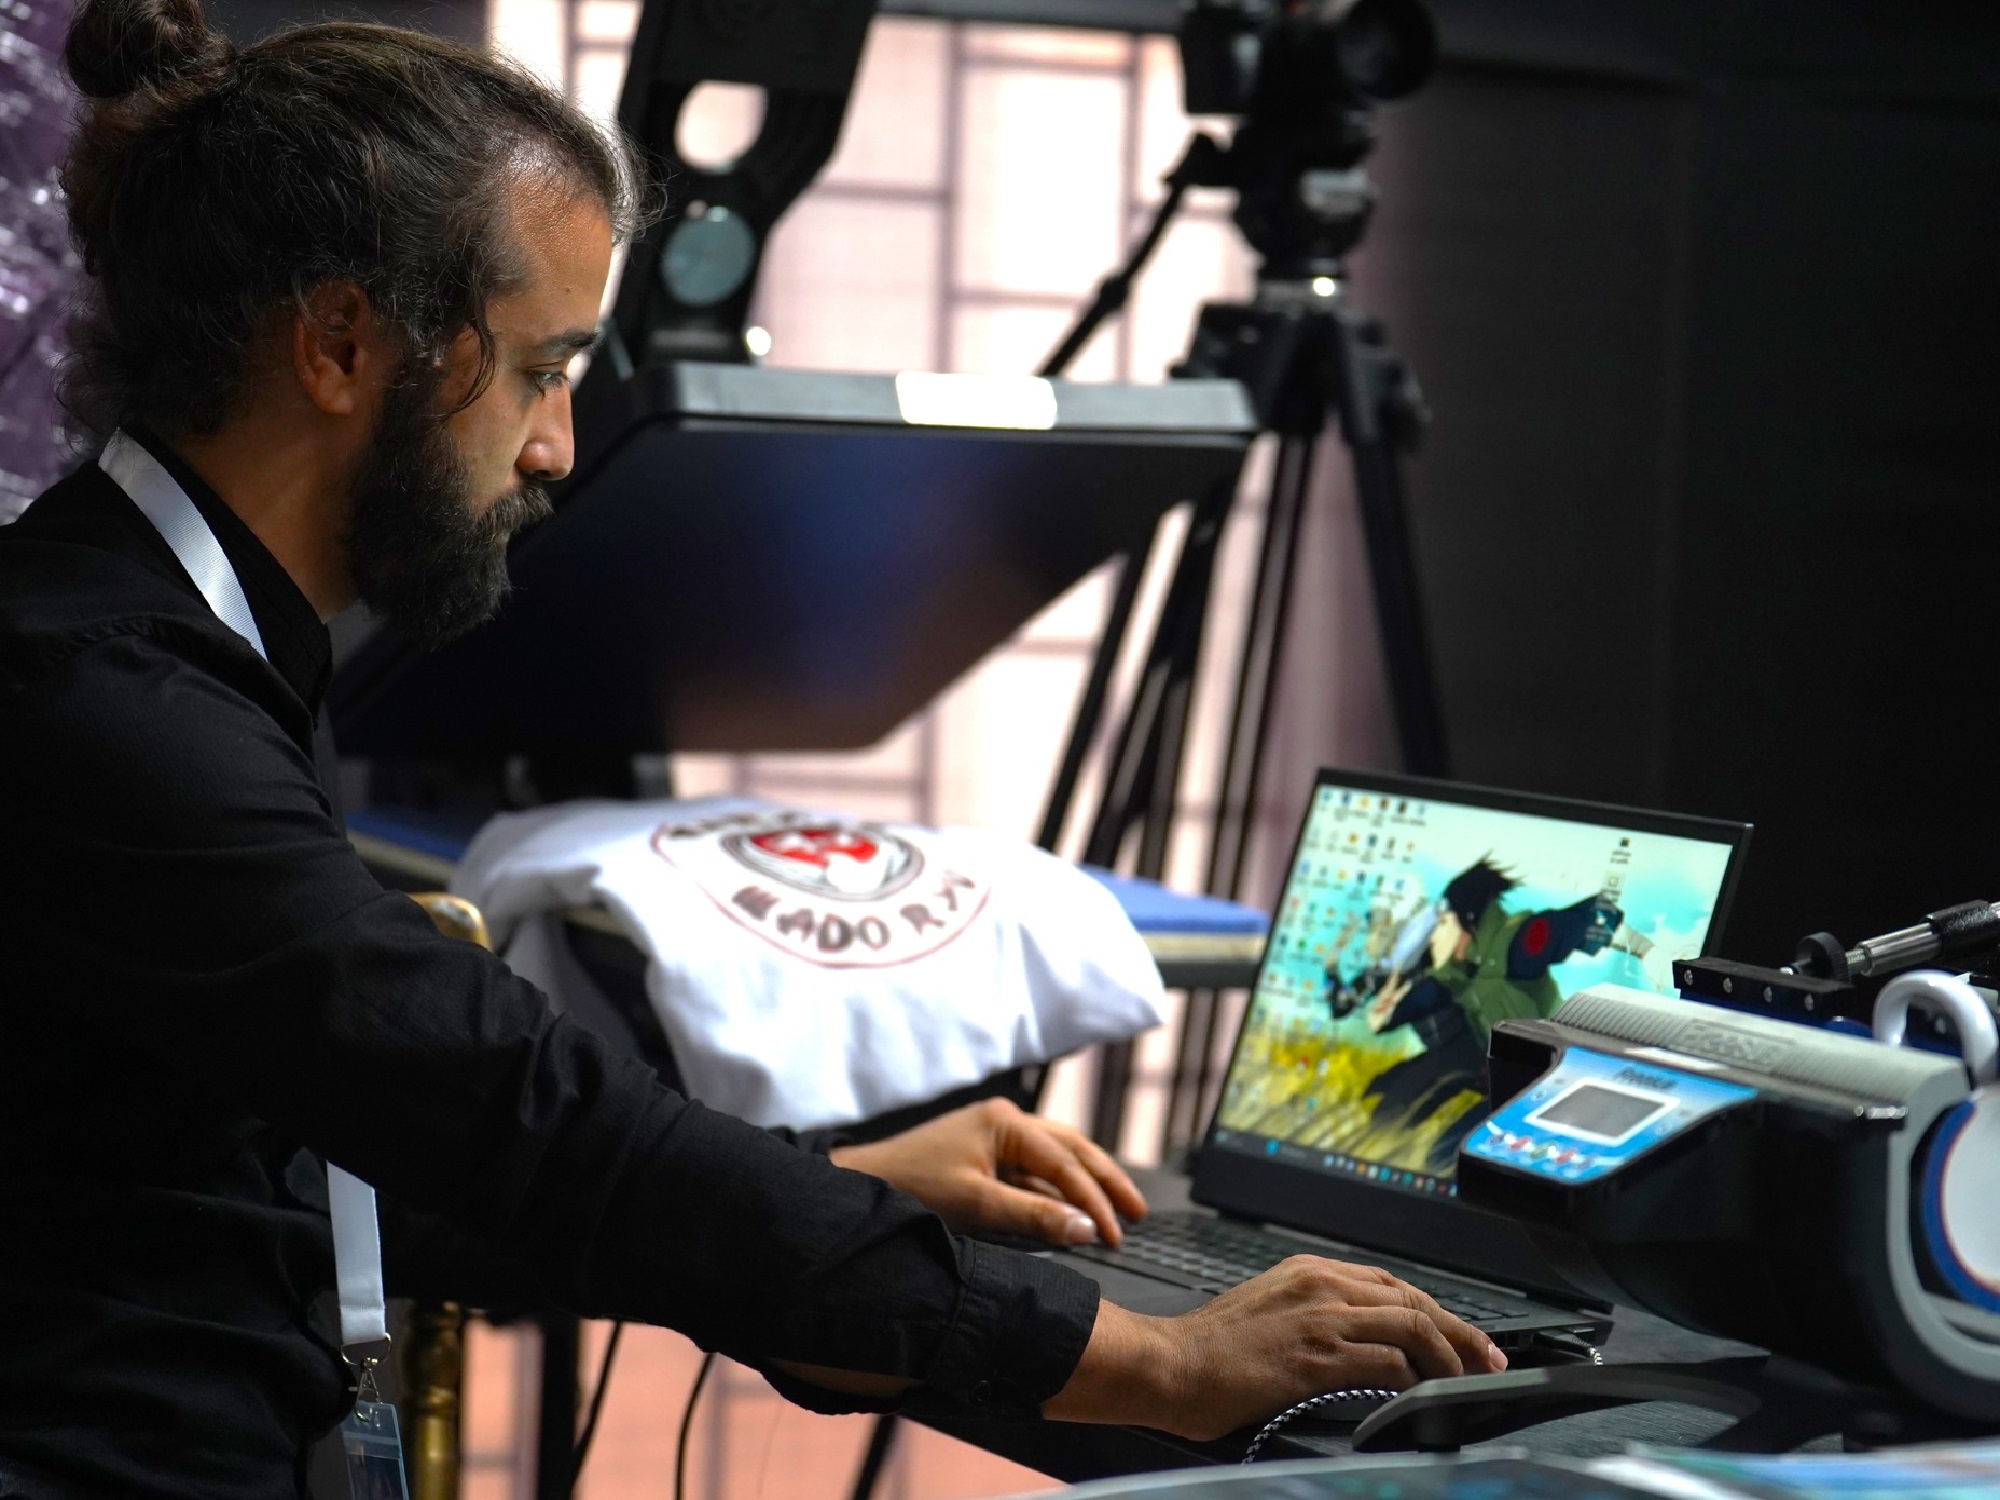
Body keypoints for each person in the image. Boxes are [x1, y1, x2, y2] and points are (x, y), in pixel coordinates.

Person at [0, 3, 1505, 1494]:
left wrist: (832, 1188)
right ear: (339, 342)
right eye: (540, 369)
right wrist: (1148, 1362)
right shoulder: (103, 695)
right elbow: (520, 1117)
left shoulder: (186, 639)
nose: (555, 447)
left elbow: (322, 1165)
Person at [1364, 860, 1621, 1170]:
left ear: (1467, 920)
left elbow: (1551, 931)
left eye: (1444, 922)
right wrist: (1389, 1013)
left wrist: (1593, 918)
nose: (1435, 934)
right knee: (1399, 1099)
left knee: (1446, 1154)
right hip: (1485, 1057)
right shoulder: (1458, 968)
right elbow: (1430, 993)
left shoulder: (1511, 948)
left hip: (1539, 1075)